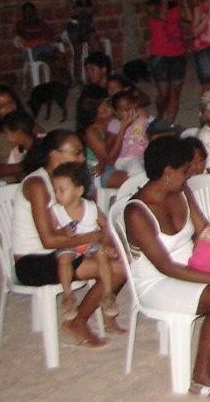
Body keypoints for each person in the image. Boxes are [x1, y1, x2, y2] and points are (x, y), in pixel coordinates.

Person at [125, 137, 210, 398]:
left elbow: (207, 233)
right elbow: (165, 267)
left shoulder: (181, 191)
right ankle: (201, 377)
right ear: (168, 172)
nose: (189, 174)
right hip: (157, 282)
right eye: (184, 170)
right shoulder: (137, 212)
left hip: (192, 266)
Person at [14, 130, 126, 346]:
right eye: (76, 153)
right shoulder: (38, 184)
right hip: (34, 261)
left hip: (63, 250)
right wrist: (95, 237)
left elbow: (91, 219)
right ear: (54, 155)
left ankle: (100, 313)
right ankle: (77, 322)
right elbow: (49, 240)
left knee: (118, 258)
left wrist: (106, 242)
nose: (82, 158)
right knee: (118, 269)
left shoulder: (67, 180)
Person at [50, 161, 120, 321]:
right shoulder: (56, 210)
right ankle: (68, 296)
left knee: (102, 255)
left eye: (62, 190)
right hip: (69, 245)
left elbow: (106, 226)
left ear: (79, 190)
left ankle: (108, 294)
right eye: (55, 190)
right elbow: (52, 232)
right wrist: (62, 231)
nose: (57, 194)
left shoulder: (91, 207)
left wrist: (107, 244)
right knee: (64, 259)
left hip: (91, 243)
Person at [147, 0, 192, 122]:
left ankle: (168, 124)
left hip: (178, 52)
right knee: (164, 93)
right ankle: (160, 116)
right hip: (160, 53)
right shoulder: (153, 5)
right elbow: (162, 17)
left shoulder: (177, 4)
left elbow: (189, 17)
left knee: (175, 91)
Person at [0, 84, 37, 182]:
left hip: (31, 164)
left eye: (10, 103)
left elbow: (42, 136)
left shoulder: (22, 120)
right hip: (12, 174)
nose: (9, 109)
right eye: (2, 107)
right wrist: (26, 165)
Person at [16, 2, 71, 83]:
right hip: (34, 50)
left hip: (47, 47)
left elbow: (50, 35)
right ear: (24, 13)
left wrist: (52, 39)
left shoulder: (40, 23)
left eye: (32, 11)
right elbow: (27, 39)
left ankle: (66, 78)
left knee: (61, 56)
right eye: (27, 11)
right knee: (50, 60)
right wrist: (41, 40)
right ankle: (60, 81)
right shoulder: (21, 24)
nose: (30, 13)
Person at [107, 90, 150, 177]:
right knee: (137, 170)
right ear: (117, 113)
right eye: (124, 110)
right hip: (125, 159)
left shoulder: (140, 119)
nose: (128, 111)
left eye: (130, 107)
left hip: (144, 155)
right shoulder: (115, 124)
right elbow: (109, 147)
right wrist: (123, 126)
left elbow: (144, 108)